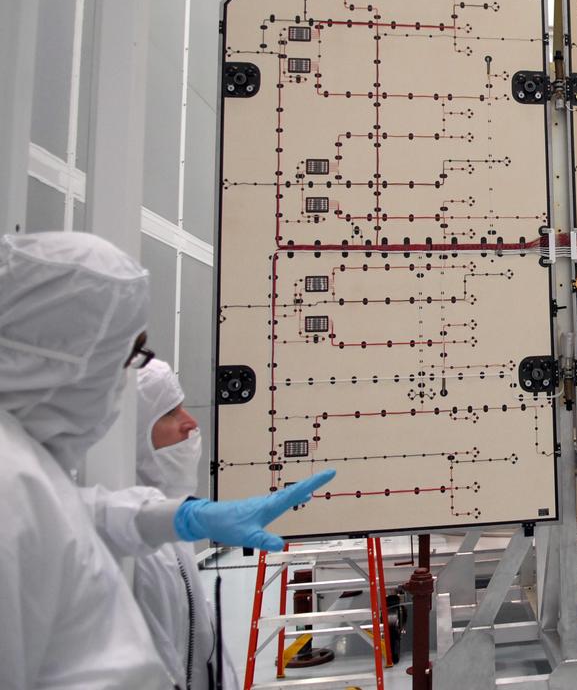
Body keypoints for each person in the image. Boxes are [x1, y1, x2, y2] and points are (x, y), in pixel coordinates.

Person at [0, 232, 333, 689]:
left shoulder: (27, 466)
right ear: (72, 357)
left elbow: (68, 518)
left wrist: (183, 517)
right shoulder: (10, 480)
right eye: (130, 355)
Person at [134, 359, 238, 690]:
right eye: (170, 414)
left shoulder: (167, 530)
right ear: (131, 432)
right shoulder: (129, 548)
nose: (191, 423)